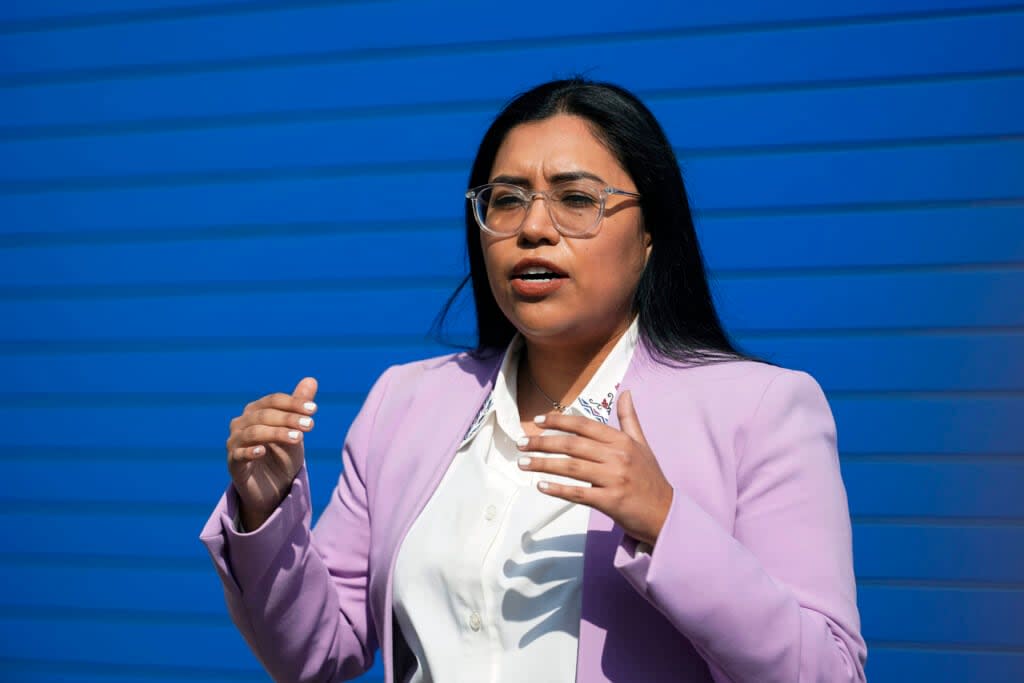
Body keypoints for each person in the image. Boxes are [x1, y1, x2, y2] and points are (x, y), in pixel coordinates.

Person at [201, 78, 867, 683]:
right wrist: (265, 512)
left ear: (650, 236)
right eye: (507, 201)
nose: (533, 228)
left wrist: (666, 521)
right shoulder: (406, 402)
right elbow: (318, 651)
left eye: (577, 199)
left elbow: (830, 671)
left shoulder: (760, 408)